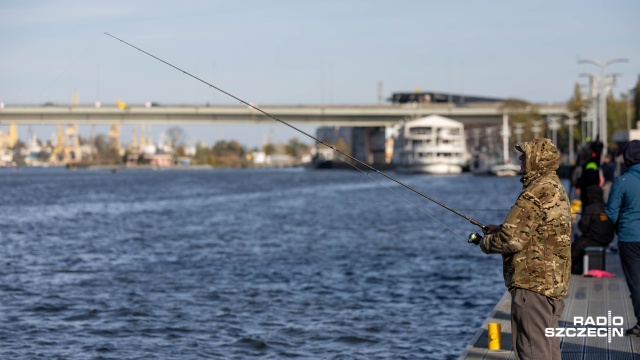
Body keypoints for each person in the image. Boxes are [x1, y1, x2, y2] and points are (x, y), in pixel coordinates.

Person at [472, 138, 571, 359]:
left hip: (532, 284)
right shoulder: (554, 186)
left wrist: (484, 242)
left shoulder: (535, 192)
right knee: (549, 349)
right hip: (552, 283)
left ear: (537, 159)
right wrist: (501, 228)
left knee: (532, 350)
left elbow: (511, 240)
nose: (520, 159)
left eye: (524, 155)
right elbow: (539, 229)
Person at [605, 139, 640, 337]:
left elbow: (611, 211)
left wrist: (620, 226)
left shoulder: (622, 181)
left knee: (636, 282)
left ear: (626, 159)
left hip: (630, 238)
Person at [570, 185, 615, 274]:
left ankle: (573, 269)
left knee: (574, 248)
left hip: (594, 239)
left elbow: (583, 226)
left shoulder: (590, 208)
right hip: (608, 238)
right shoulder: (606, 207)